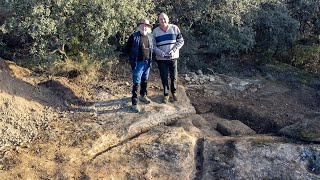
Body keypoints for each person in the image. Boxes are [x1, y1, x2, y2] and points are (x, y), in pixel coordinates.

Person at [152, 13, 184, 104]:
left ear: (168, 19)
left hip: (172, 57)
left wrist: (174, 50)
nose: (163, 21)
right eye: (161, 19)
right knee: (164, 77)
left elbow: (181, 41)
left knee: (174, 76)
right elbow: (153, 46)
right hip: (161, 59)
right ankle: (166, 94)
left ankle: (173, 92)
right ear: (159, 20)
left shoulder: (174, 28)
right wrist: (159, 52)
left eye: (164, 19)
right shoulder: (155, 31)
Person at [125, 19, 154, 113]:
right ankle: (134, 103)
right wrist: (132, 59)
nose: (144, 27)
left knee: (145, 80)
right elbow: (127, 49)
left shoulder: (150, 36)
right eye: (142, 25)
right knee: (136, 83)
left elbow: (152, 49)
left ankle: (143, 95)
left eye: (146, 25)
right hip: (138, 64)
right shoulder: (134, 36)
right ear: (139, 26)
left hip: (147, 63)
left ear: (148, 27)